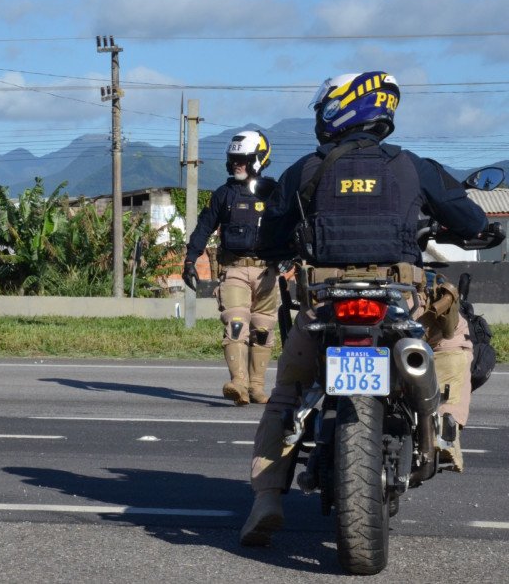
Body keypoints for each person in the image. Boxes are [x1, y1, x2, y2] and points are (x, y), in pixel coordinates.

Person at [240, 71, 488, 547]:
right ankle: (447, 431)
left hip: (326, 303)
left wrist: (280, 246)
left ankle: (267, 499)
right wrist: (474, 230)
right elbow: (471, 219)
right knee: (455, 339)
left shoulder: (307, 169)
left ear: (342, 109)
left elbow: (269, 234)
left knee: (289, 393)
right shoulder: (414, 167)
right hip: (400, 301)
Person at [182, 130, 279, 406]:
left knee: (263, 329)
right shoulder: (224, 195)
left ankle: (257, 387)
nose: (237, 164)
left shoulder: (274, 193)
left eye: (243, 159)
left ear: (259, 159)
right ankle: (238, 383)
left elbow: (291, 226)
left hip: (267, 273)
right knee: (236, 323)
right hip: (234, 270)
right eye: (233, 159)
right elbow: (203, 227)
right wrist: (190, 259)